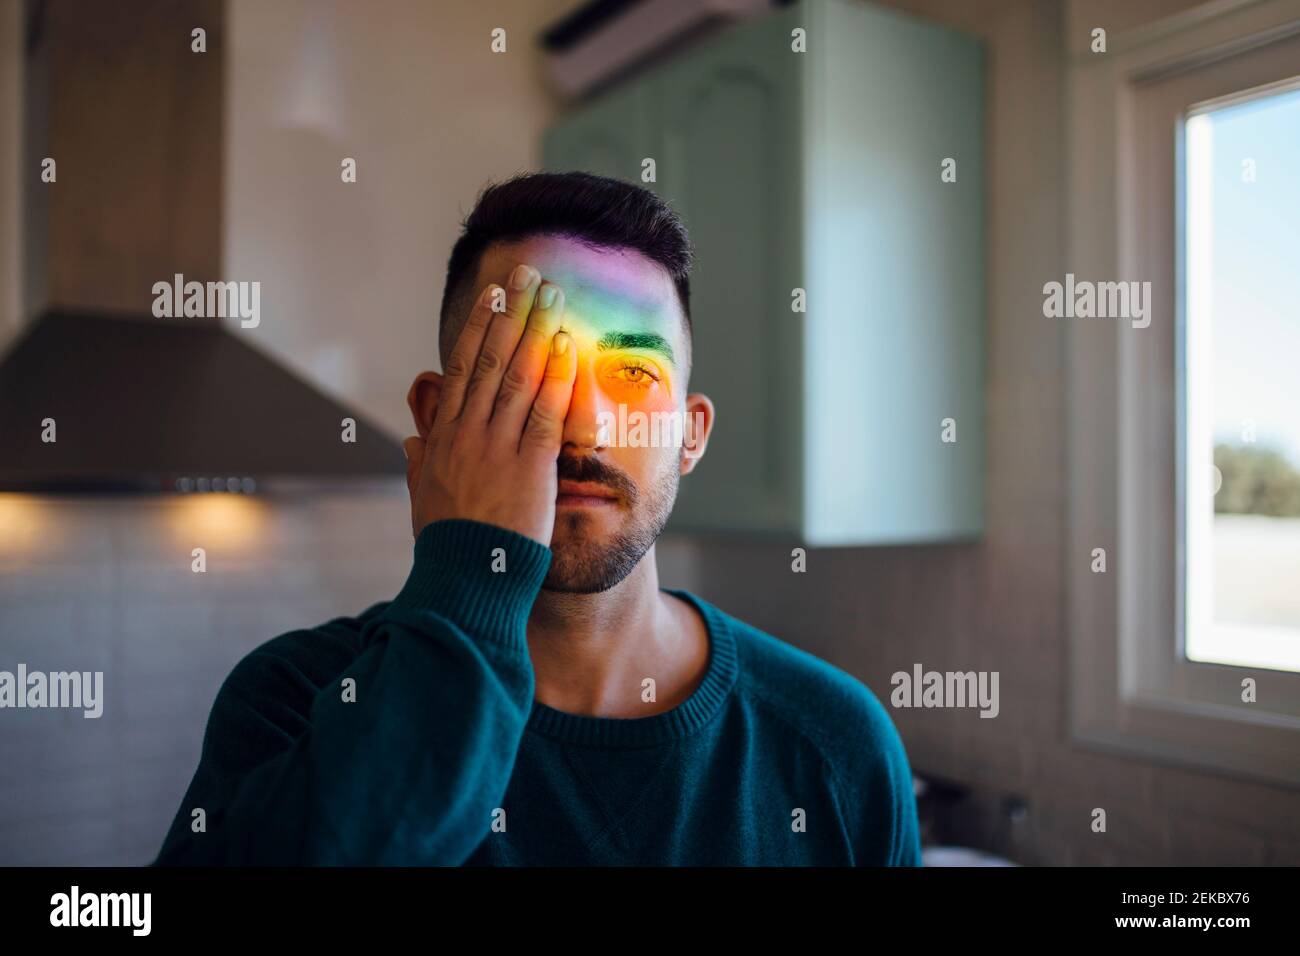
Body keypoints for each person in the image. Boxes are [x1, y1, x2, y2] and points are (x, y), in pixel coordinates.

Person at [155, 172, 922, 866]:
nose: (580, 427)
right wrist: (467, 563)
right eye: (531, 370)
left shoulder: (838, 745)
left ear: (690, 436)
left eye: (631, 373)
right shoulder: (295, 701)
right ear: (435, 415)